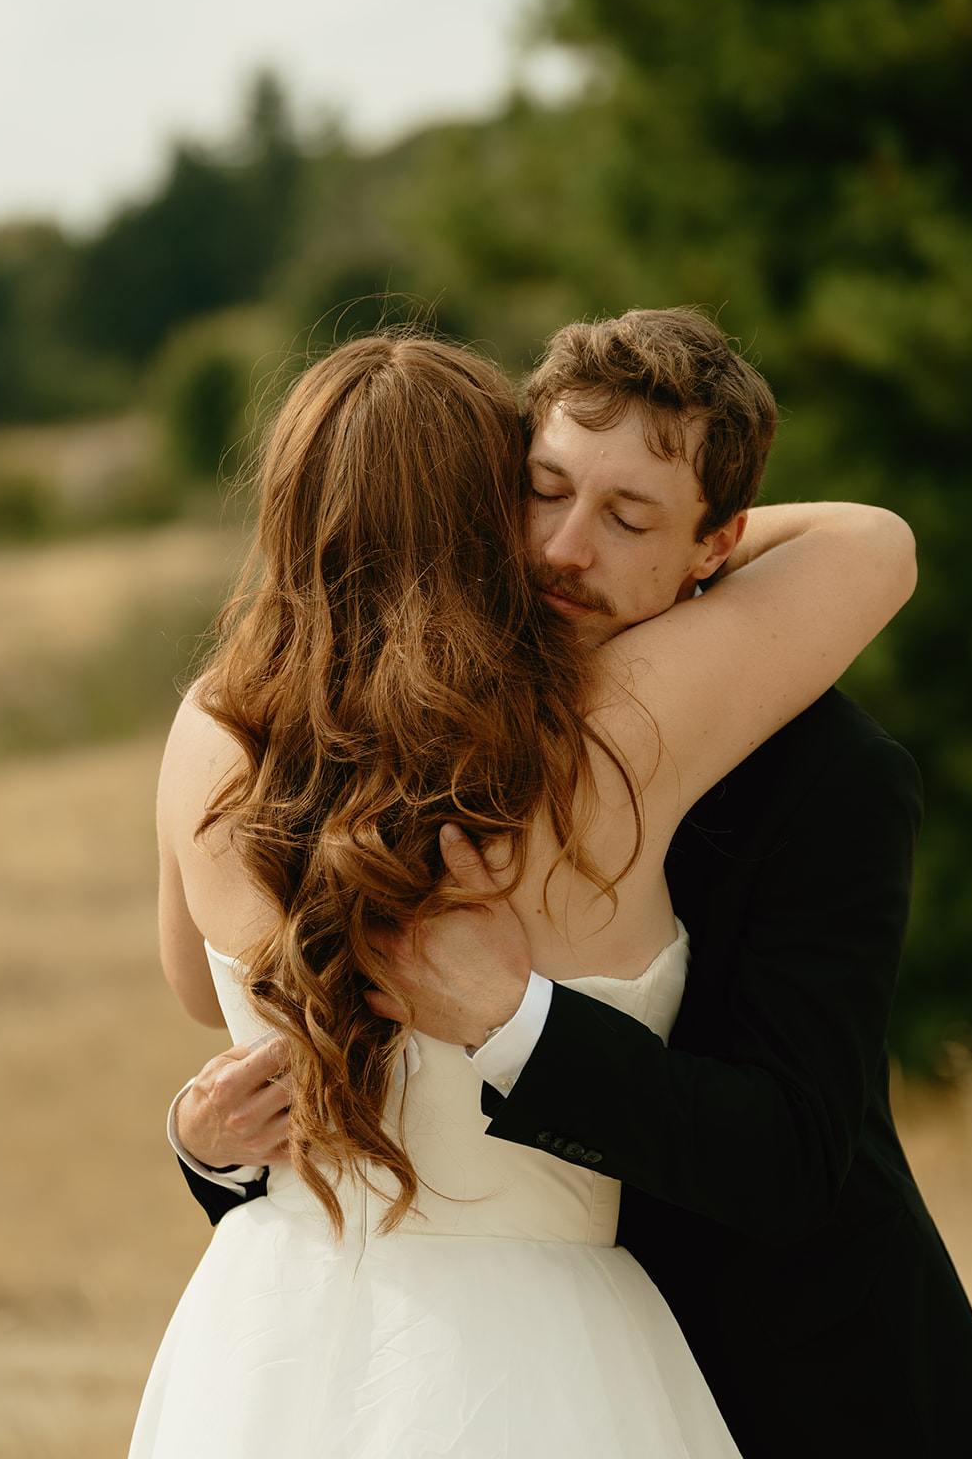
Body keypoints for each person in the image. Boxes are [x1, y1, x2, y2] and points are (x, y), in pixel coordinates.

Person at [145, 319, 916, 1458]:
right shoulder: (597, 737)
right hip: (541, 1351)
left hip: (261, 1337)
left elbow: (201, 998)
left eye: (619, 516)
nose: (559, 548)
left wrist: (204, 1135)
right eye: (537, 490)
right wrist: (692, 538)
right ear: (484, 511)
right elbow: (869, 545)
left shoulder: (210, 727)